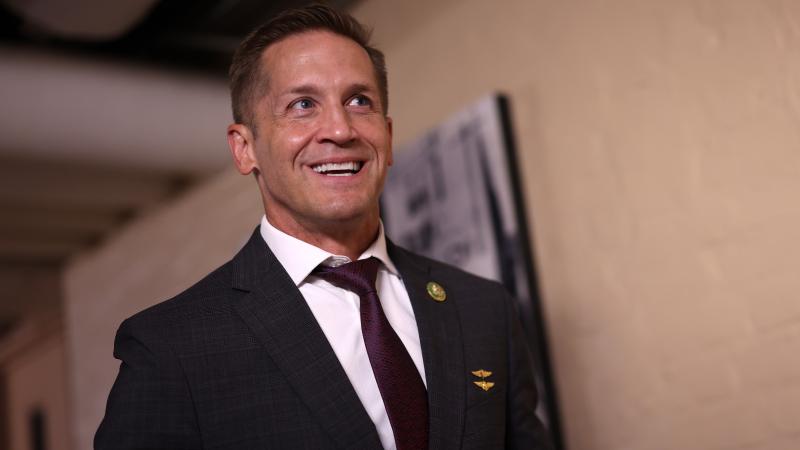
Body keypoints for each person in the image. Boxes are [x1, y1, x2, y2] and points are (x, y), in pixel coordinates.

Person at [95, 4, 553, 450]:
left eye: (359, 101)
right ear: (244, 148)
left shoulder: (482, 308)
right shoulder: (171, 347)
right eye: (302, 104)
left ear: (388, 137)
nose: (340, 128)